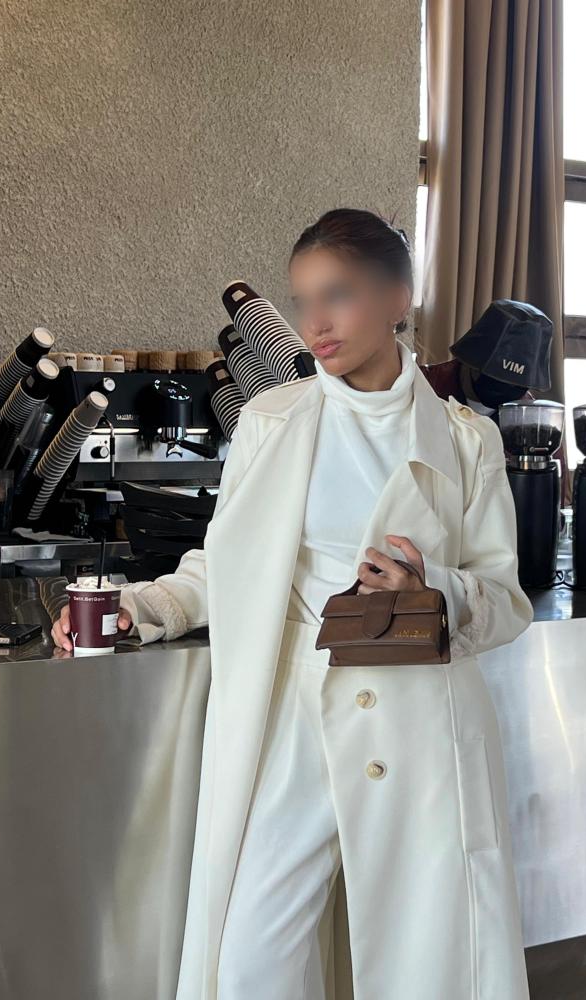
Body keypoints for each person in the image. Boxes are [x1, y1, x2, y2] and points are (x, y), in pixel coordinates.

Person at [52, 208, 534, 1000]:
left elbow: (506, 600)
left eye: (337, 295)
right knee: (252, 959)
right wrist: (144, 607)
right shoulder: (273, 422)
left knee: (426, 965)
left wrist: (434, 590)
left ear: (398, 298)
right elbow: (228, 563)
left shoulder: (466, 440)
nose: (315, 324)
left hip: (420, 726)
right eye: (304, 300)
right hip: (293, 717)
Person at [420, 298, 553, 424]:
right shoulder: (423, 386)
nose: (504, 386)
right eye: (496, 376)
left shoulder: (530, 418)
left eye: (515, 384)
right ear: (471, 360)